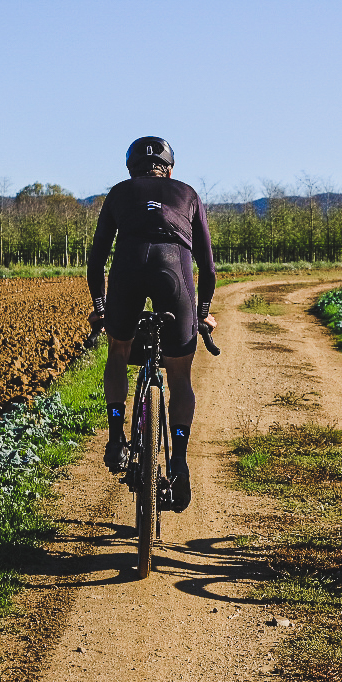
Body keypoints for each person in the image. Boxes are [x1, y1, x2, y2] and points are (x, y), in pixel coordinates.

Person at [86, 136, 218, 512]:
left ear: (131, 170)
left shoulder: (119, 193)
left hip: (127, 270)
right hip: (174, 273)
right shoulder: (188, 193)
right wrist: (203, 310)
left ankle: (116, 438)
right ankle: (179, 459)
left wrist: (100, 308)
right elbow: (207, 268)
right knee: (180, 375)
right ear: (170, 169)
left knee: (118, 348)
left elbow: (96, 262)